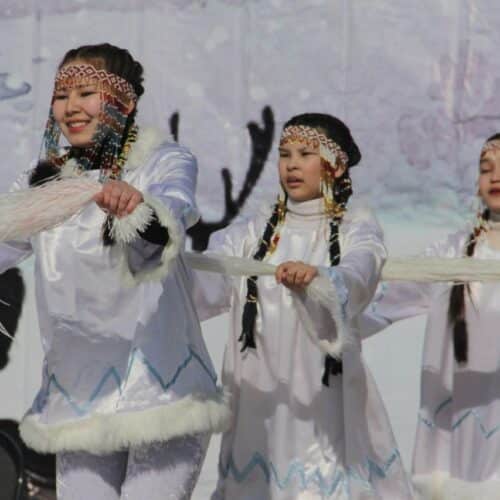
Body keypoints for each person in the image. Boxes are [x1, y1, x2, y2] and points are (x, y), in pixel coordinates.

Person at [0, 43, 230, 499]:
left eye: (86, 93)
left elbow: (172, 214)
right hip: (79, 397)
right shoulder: (41, 182)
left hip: (159, 391)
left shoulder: (162, 161)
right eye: (61, 95)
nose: (70, 107)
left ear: (123, 101)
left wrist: (137, 207)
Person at [194, 113, 413, 499]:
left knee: (320, 479)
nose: (292, 164)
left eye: (305, 154)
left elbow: (360, 269)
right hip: (258, 390)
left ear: (336, 165)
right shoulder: (255, 231)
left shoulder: (353, 228)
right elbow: (205, 278)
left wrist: (321, 279)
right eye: (285, 154)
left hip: (321, 390)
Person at [360, 133, 500, 499]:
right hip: (469, 422)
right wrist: (325, 308)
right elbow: (385, 297)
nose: (495, 177)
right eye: (486, 169)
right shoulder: (452, 253)